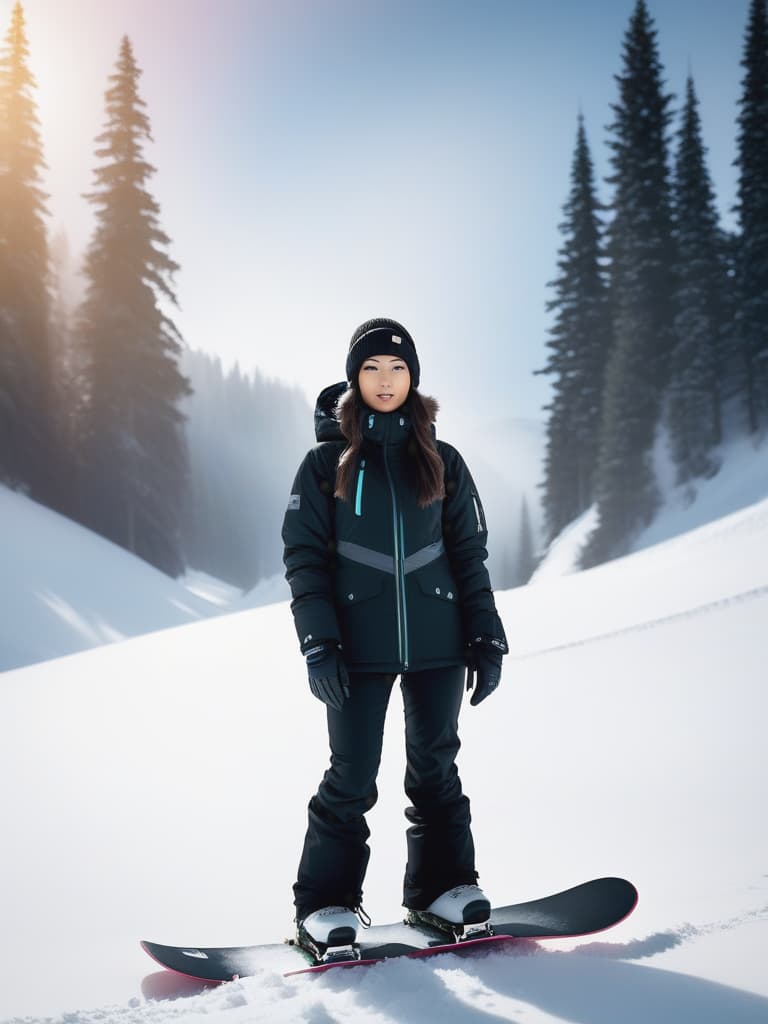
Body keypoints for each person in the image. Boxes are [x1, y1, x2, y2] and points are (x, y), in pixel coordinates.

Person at [281, 317, 509, 958]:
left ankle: (442, 890)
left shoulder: (443, 460)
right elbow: (304, 560)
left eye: (399, 369)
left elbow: (469, 554)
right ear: (355, 379)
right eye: (373, 369)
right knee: (351, 777)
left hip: (440, 642)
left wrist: (487, 636)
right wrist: (318, 643)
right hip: (357, 648)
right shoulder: (327, 462)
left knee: (436, 768)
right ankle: (323, 906)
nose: (386, 380)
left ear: (414, 380)